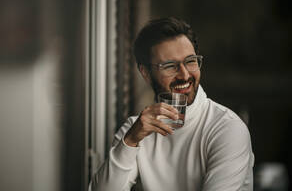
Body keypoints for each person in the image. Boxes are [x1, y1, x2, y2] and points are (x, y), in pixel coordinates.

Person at [89, 17, 254, 191]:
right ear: (146, 73)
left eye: (190, 61)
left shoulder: (227, 128)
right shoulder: (136, 130)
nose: (184, 75)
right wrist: (130, 141)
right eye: (170, 66)